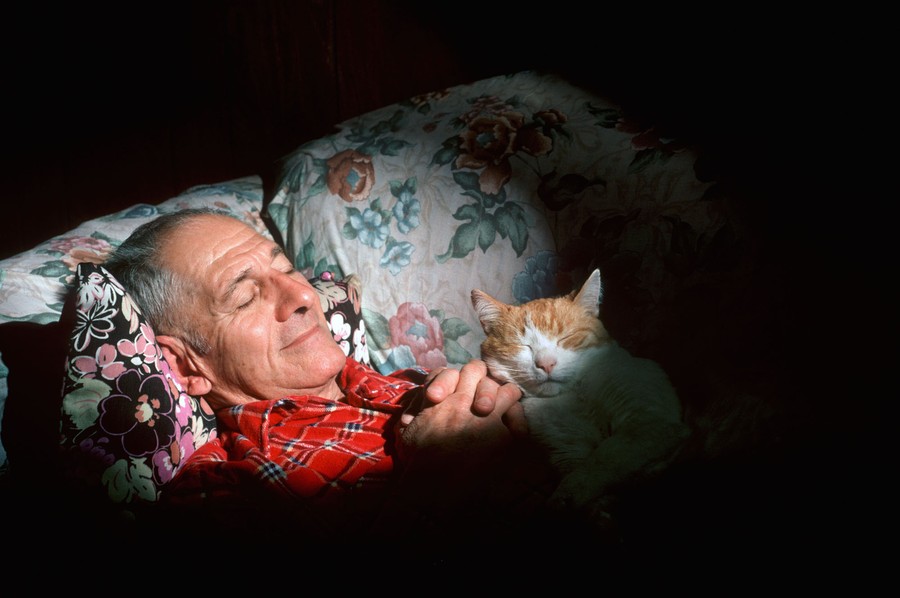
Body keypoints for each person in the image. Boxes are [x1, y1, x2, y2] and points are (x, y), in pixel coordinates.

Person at [102, 208, 543, 547]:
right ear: (185, 366)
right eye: (244, 297)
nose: (303, 295)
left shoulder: (411, 380)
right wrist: (437, 484)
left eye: (288, 269)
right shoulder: (222, 489)